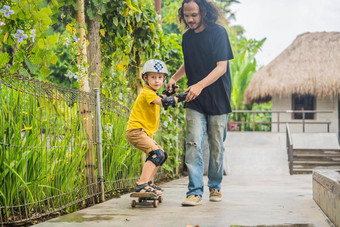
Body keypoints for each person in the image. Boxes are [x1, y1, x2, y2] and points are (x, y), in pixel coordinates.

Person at [166, 0, 234, 206]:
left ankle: (215, 187)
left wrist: (199, 85)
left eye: (194, 15)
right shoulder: (186, 38)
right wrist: (174, 78)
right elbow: (189, 61)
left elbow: (221, 67)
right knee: (193, 143)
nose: (190, 19)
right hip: (194, 99)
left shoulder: (218, 33)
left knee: (216, 146)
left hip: (218, 98)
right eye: (186, 15)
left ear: (203, 12)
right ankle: (194, 192)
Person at [126, 59, 187, 194]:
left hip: (142, 132)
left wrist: (169, 93)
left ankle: (147, 183)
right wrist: (180, 97)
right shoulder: (147, 92)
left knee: (162, 155)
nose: (157, 81)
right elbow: (162, 101)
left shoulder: (152, 93)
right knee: (156, 154)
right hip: (136, 131)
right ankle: (142, 184)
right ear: (145, 78)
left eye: (160, 77)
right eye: (153, 77)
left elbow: (161, 96)